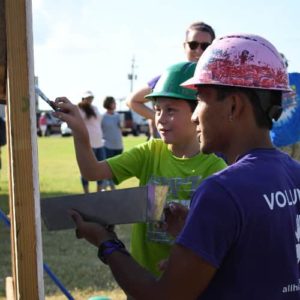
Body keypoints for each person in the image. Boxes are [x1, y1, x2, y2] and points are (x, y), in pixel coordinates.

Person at [69, 34, 300, 300]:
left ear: (234, 106)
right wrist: (193, 238)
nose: (193, 115)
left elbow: (162, 296)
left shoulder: (221, 190)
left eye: (200, 99)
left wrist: (107, 243)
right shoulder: (294, 174)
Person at [54, 62, 227, 278]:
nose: (160, 119)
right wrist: (80, 132)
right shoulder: (150, 152)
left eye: (171, 110)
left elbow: (215, 238)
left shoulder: (216, 169)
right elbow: (92, 172)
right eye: (157, 110)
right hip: (141, 280)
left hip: (187, 284)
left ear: (197, 113)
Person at [126, 21, 215, 139]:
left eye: (205, 46)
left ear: (213, 48)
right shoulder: (173, 76)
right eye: (193, 44)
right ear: (184, 46)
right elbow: (132, 101)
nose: (198, 50)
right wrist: (162, 119)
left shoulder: (220, 79)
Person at [78, 90, 106, 193]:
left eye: (91, 98)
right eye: (88, 98)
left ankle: (99, 191)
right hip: (88, 144)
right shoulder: (80, 109)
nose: (90, 100)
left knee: (102, 168)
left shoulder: (95, 108)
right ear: (83, 98)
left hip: (99, 143)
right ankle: (86, 193)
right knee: (86, 168)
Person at [101, 96, 123, 190]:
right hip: (107, 146)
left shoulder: (118, 116)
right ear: (108, 104)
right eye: (114, 102)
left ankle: (109, 186)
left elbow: (122, 128)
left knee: (115, 170)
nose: (115, 104)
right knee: (108, 169)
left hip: (118, 146)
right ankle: (107, 187)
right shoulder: (102, 117)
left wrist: (122, 124)